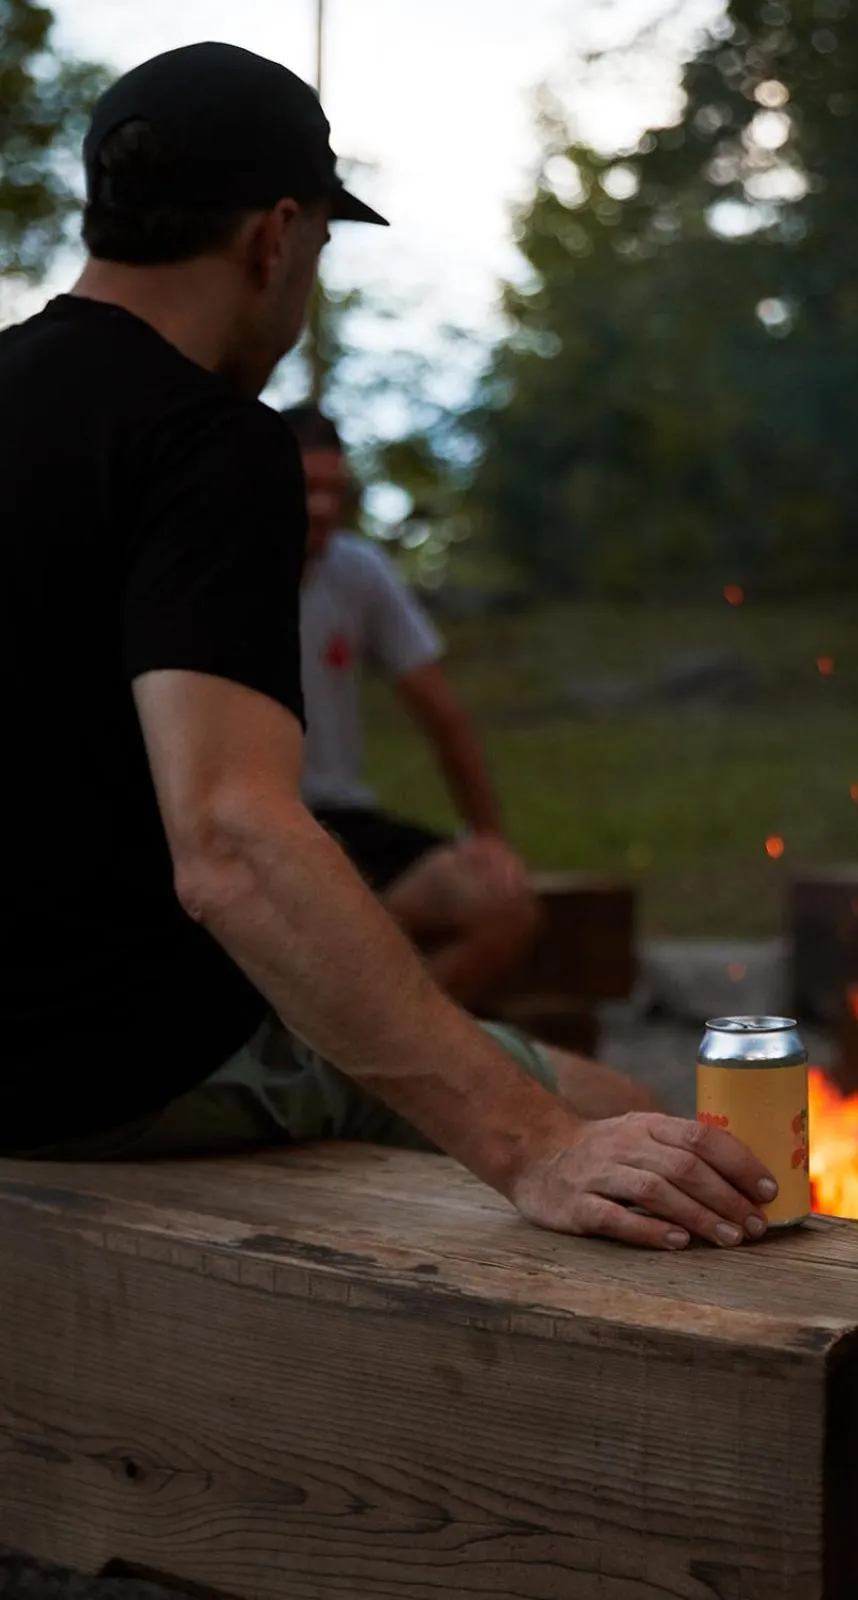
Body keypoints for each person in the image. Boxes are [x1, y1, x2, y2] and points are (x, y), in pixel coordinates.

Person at [0, 42, 778, 1256]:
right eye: (319, 245)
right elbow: (234, 843)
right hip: (102, 1082)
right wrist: (532, 1142)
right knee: (629, 1125)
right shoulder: (210, 441)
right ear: (276, 236)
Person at [279, 404, 538, 1007]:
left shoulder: (356, 571)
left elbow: (440, 710)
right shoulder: (213, 573)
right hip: (259, 822)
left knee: (503, 905)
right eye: (307, 487)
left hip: (340, 819)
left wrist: (488, 836)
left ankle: (367, 1046)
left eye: (335, 490)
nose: (323, 506)